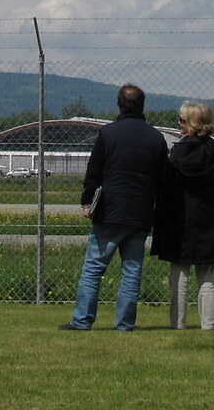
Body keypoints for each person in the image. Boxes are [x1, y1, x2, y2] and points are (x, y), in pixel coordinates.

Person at [59, 83, 168, 331]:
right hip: (140, 213)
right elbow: (164, 180)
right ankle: (125, 324)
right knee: (132, 271)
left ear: (119, 105)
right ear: (142, 105)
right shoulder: (156, 138)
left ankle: (82, 320)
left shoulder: (108, 134)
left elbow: (93, 172)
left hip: (109, 212)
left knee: (93, 268)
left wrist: (87, 202)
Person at [151, 101, 214, 330]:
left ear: (189, 124)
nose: (178, 124)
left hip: (179, 220)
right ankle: (209, 322)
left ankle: (177, 323)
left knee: (179, 274)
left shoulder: (177, 153)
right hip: (208, 218)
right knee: (206, 275)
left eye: (181, 120)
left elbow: (166, 187)